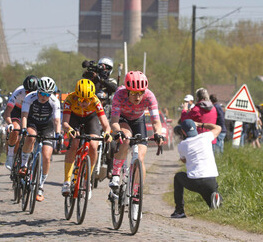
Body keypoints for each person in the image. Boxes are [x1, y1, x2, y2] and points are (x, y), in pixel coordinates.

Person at [109, 71, 164, 200]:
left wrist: (158, 134)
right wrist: (118, 133)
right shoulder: (119, 94)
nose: (138, 97)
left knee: (140, 156)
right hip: (123, 119)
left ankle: (136, 192)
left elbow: (156, 121)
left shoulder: (150, 96)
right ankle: (116, 173)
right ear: (127, 91)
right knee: (126, 137)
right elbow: (114, 122)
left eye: (141, 93)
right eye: (133, 93)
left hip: (139, 120)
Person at [61, 79, 112, 196]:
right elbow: (65, 123)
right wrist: (69, 130)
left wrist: (107, 133)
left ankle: (87, 180)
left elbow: (105, 125)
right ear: (76, 96)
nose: (84, 103)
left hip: (90, 118)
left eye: (87, 100)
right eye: (81, 99)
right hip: (74, 118)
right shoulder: (70, 99)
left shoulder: (96, 101)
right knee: (74, 143)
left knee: (94, 146)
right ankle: (67, 182)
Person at [19, 76, 62, 202]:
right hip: (32, 123)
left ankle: (41, 185)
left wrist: (58, 134)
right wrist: (23, 128)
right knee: (30, 137)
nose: (44, 97)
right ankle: (24, 164)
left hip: (47, 126)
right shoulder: (30, 97)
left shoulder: (54, 101)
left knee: (47, 156)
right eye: (42, 93)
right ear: (38, 91)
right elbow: (24, 115)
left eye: (47, 94)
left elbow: (57, 120)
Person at [171, 119, 222, 218]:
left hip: (195, 181)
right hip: (211, 180)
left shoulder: (182, 145)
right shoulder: (206, 137)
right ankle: (215, 197)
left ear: (183, 132)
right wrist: (200, 124)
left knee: (178, 177)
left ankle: (179, 211)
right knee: (210, 196)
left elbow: (184, 160)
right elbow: (218, 128)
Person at [4, 75, 38, 170]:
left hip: (30, 112)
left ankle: (26, 159)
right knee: (15, 129)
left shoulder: (39, 94)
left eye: (32, 92)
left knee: (31, 135)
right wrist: (10, 123)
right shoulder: (18, 92)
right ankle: (10, 156)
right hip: (17, 110)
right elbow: (7, 111)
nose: (29, 94)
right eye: (27, 91)